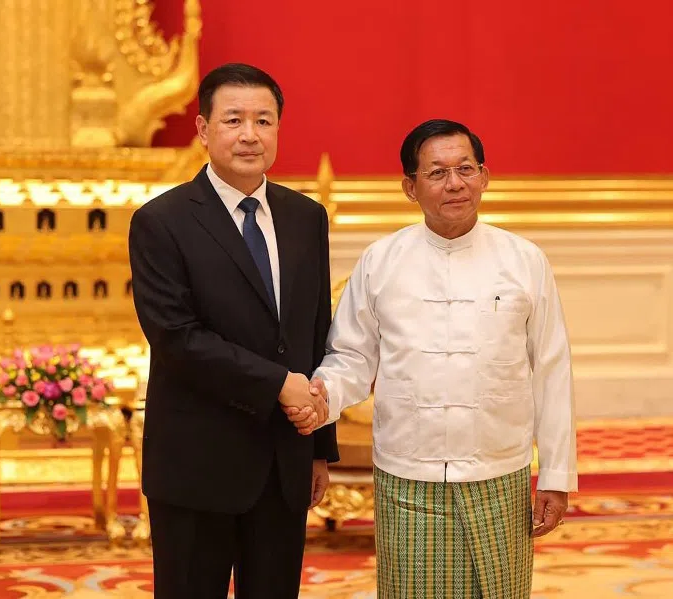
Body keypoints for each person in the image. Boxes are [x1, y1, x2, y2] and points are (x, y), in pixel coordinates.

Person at [288, 119, 577, 598]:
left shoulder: (525, 260)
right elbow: (351, 359)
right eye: (438, 172)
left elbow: (552, 370)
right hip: (409, 474)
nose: (455, 183)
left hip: (498, 471)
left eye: (466, 168)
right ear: (410, 186)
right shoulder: (381, 261)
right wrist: (320, 399)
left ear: (484, 176)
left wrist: (557, 474)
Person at [128, 62, 338, 599]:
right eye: (234, 120)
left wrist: (318, 447)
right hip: (198, 463)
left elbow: (316, 333)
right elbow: (177, 338)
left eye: (264, 121)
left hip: (282, 461)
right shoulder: (161, 221)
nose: (250, 134)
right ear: (203, 130)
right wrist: (276, 384)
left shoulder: (305, 217)